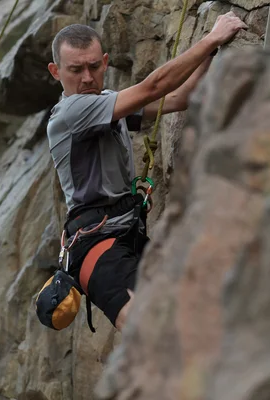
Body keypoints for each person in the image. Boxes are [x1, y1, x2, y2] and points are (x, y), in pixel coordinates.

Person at [46, 12, 247, 332]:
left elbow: (180, 98)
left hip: (130, 236)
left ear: (106, 63)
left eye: (94, 66)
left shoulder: (107, 102)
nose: (86, 78)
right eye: (75, 69)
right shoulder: (71, 113)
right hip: (97, 246)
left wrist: (210, 52)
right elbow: (155, 86)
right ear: (56, 72)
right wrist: (212, 38)